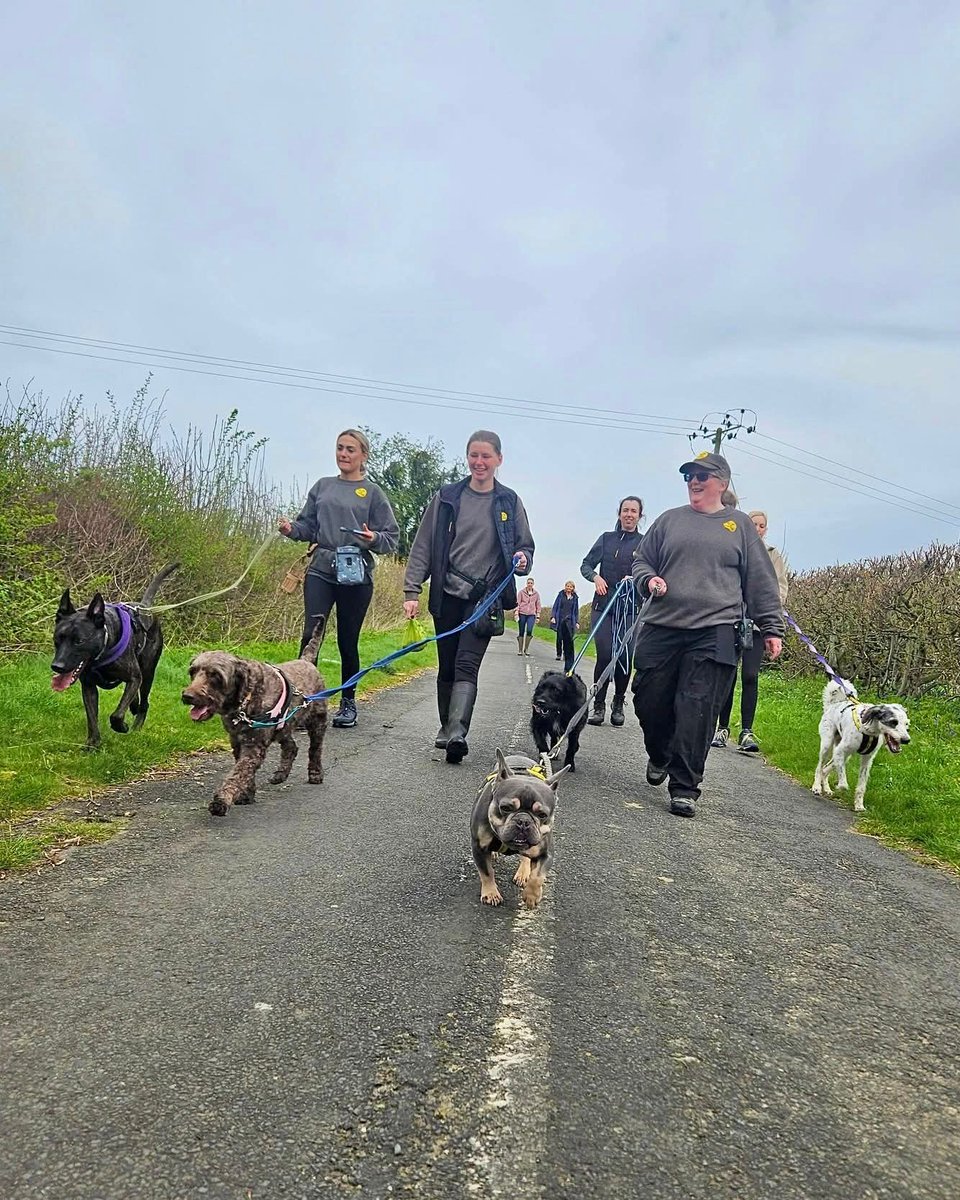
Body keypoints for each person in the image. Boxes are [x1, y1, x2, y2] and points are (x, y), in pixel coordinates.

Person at [630, 453, 784, 818]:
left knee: (697, 708)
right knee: (648, 698)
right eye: (689, 476)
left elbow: (761, 582)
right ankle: (660, 752)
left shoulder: (740, 526)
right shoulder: (669, 521)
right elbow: (642, 560)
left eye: (702, 475)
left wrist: (772, 627)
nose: (694, 481)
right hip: (662, 625)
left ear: (722, 482)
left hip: (715, 630)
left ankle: (685, 785)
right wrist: (647, 579)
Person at [403, 430, 534, 764]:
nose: (479, 462)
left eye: (486, 456)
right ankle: (446, 726)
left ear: (499, 460)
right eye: (474, 455)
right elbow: (423, 546)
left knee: (466, 664)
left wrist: (522, 559)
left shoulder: (509, 501)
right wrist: (412, 590)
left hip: (485, 600)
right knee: (447, 665)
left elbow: (525, 545)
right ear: (467, 458)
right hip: (447, 594)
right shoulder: (447, 498)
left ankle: (458, 733)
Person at [279, 428, 399, 729]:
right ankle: (301, 703)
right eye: (340, 448)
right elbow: (307, 527)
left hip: (356, 573)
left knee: (348, 640)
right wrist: (291, 530)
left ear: (363, 456)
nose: (343, 454)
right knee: (311, 637)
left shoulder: (373, 493)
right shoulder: (323, 487)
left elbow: (391, 538)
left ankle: (348, 703)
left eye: (350, 450)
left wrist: (373, 538)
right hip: (321, 568)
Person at [712, 509, 790, 753]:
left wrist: (765, 607)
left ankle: (746, 731)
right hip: (732, 621)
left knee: (750, 676)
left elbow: (779, 588)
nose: (757, 528)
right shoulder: (735, 548)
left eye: (761, 525)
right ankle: (722, 728)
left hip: (756, 626)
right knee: (728, 674)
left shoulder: (772, 555)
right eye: (753, 524)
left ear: (765, 529)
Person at [579, 496, 644, 727]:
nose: (629, 514)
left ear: (639, 516)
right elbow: (585, 565)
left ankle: (618, 702)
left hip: (629, 609)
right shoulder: (606, 539)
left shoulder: (645, 543)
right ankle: (598, 705)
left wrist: (636, 579)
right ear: (619, 514)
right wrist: (596, 577)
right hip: (603, 606)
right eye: (625, 510)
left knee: (624, 657)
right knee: (605, 655)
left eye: (633, 511)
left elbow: (650, 572)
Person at [549, 581, 580, 673]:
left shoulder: (575, 598)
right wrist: (553, 617)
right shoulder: (560, 595)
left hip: (570, 621)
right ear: (565, 587)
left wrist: (577, 622)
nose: (568, 588)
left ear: (573, 588)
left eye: (570, 586)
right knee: (559, 638)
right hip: (560, 619)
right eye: (567, 586)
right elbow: (555, 606)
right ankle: (558, 653)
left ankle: (565, 654)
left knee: (568, 639)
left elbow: (575, 611)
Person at [515, 577, 542, 656]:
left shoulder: (536, 594)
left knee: (529, 630)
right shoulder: (521, 592)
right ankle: (520, 649)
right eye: (528, 583)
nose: (529, 584)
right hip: (522, 613)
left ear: (533, 584)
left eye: (531, 583)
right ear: (526, 584)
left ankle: (526, 648)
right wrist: (516, 612)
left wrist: (538, 615)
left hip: (531, 614)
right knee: (521, 631)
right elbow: (517, 603)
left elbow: (538, 605)